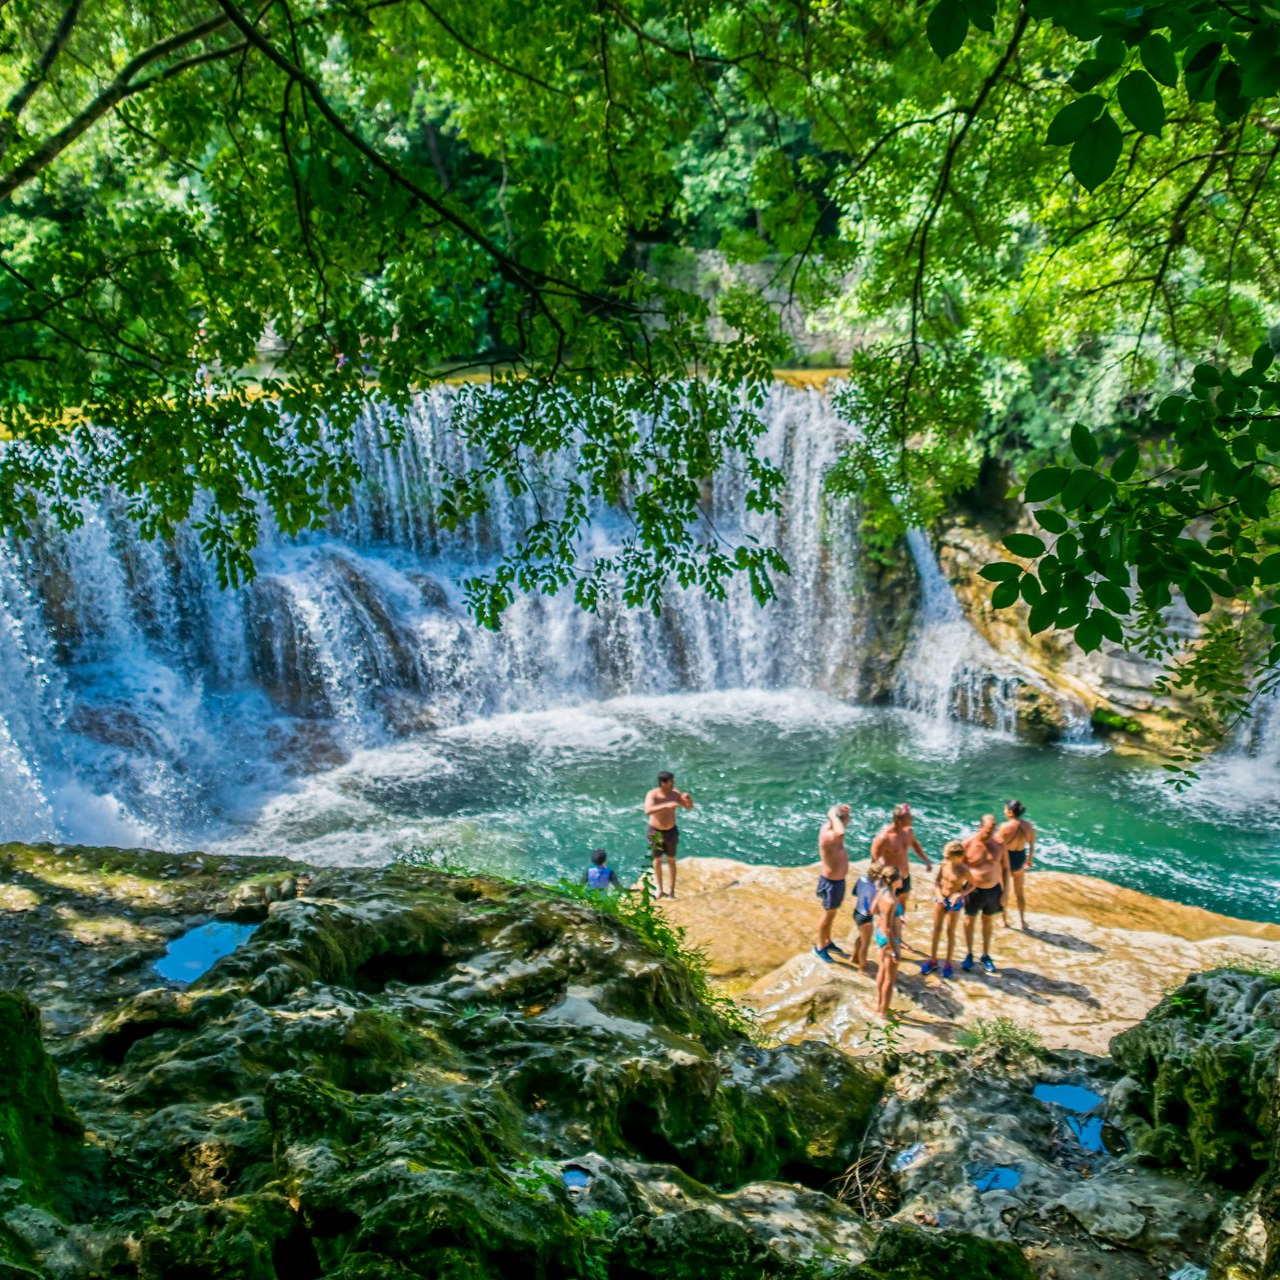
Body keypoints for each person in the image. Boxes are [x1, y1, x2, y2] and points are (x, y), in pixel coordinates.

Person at [869, 803, 933, 936]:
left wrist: (925, 859)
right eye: (909, 817)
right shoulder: (884, 837)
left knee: (902, 903)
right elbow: (874, 860)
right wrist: (877, 883)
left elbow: (915, 844)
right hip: (890, 879)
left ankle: (897, 934)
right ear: (899, 820)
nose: (912, 818)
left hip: (904, 876)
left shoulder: (908, 831)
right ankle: (885, 936)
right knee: (888, 909)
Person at [961, 814, 1010, 974]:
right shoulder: (968, 844)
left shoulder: (1000, 844)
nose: (990, 834)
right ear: (980, 827)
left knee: (987, 920)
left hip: (993, 889)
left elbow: (1006, 868)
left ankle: (985, 955)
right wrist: (957, 892)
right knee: (969, 920)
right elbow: (959, 869)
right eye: (987, 831)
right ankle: (969, 953)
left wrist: (1006, 893)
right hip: (973, 889)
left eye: (993, 831)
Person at [921, 841, 972, 979]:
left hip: (954, 903)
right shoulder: (944, 865)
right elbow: (937, 881)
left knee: (950, 932)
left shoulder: (964, 870)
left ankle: (948, 963)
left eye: (948, 856)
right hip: (940, 899)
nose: (945, 858)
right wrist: (938, 894)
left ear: (958, 857)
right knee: (936, 930)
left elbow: (973, 885)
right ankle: (933, 959)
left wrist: (960, 895)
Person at [644, 770, 692, 899]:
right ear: (663, 783)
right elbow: (647, 810)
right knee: (657, 860)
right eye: (671, 781)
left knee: (671, 859)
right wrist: (666, 806)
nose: (673, 783)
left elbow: (688, 807)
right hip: (655, 831)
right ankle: (659, 889)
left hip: (671, 831)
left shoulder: (675, 793)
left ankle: (671, 891)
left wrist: (688, 800)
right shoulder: (653, 794)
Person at [813, 803, 852, 962]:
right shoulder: (831, 835)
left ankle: (827, 941)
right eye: (848, 818)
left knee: (832, 913)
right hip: (832, 883)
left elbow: (839, 827)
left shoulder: (829, 828)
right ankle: (820, 947)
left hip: (836, 881)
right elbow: (840, 831)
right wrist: (834, 815)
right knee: (827, 916)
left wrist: (838, 810)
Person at [871, 864, 905, 1019]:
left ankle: (879, 1005)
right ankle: (884, 1012)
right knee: (890, 979)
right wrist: (893, 949)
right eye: (900, 878)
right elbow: (890, 929)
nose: (903, 879)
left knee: (882, 971)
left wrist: (893, 917)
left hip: (879, 935)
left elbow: (873, 910)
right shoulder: (891, 900)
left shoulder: (882, 892)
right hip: (890, 939)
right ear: (895, 881)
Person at [996, 800, 1036, 929]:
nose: (1004, 811)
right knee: (1019, 893)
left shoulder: (1005, 827)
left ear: (1010, 812)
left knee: (1004, 892)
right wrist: (1029, 860)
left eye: (1005, 809)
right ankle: (1022, 921)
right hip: (1020, 859)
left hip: (1007, 860)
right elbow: (1032, 845)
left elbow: (996, 846)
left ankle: (1003, 920)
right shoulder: (1028, 826)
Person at [850, 862, 878, 974]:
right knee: (865, 944)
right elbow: (870, 908)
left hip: (857, 912)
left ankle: (853, 957)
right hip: (865, 917)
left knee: (861, 937)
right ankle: (862, 967)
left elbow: (854, 892)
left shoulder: (861, 879)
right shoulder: (874, 889)